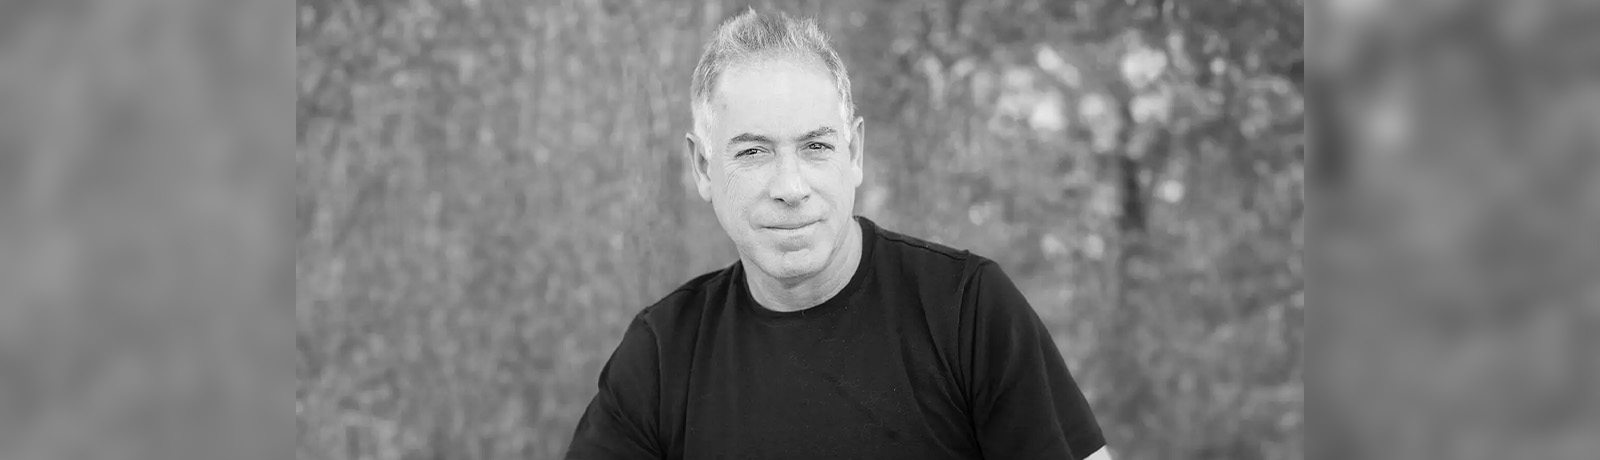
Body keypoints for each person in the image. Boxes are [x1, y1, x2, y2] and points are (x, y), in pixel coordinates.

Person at [565, 9, 1106, 460]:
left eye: (816, 147)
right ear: (703, 168)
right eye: (753, 152)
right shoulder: (662, 356)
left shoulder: (967, 311)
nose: (791, 186)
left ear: (855, 154)